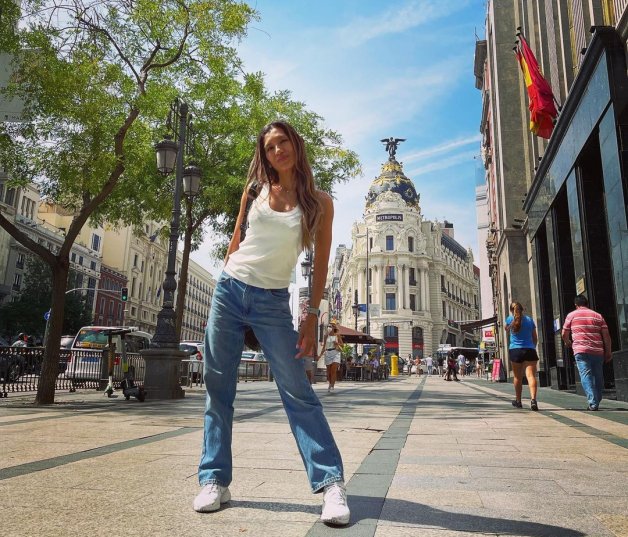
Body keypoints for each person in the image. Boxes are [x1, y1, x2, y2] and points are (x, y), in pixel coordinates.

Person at [194, 121, 350, 525]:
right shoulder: (254, 190)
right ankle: (214, 480)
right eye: (269, 147)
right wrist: (227, 272)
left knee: (297, 390)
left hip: (272, 301)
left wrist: (311, 319)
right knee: (218, 389)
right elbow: (236, 240)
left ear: (295, 145)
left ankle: (331, 483)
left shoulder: (318, 202)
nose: (277, 151)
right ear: (263, 155)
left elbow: (319, 266)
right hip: (230, 290)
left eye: (282, 142)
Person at [561, 294, 612, 411]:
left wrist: (568, 342)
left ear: (576, 305)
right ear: (587, 304)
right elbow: (606, 336)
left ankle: (593, 402)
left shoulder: (571, 315)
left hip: (581, 350)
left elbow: (564, 333)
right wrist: (608, 352)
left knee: (585, 375)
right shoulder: (598, 316)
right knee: (598, 375)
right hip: (597, 351)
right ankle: (597, 400)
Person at [505, 301, 539, 411]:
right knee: (531, 376)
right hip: (529, 350)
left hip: (515, 350)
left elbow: (506, 329)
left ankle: (518, 401)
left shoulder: (510, 320)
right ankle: (533, 400)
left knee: (517, 377)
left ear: (511, 310)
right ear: (522, 309)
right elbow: (535, 337)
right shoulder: (529, 320)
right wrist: (532, 346)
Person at [320, 321, 343, 393]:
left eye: (331, 326)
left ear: (334, 327)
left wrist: (337, 343)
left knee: (333, 370)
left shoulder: (337, 335)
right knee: (328, 372)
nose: (329, 327)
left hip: (336, 352)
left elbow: (342, 345)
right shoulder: (326, 335)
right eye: (329, 326)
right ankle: (330, 383)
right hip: (328, 353)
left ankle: (332, 384)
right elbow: (324, 347)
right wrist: (319, 356)